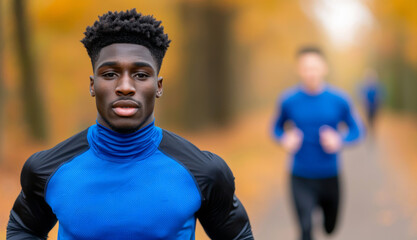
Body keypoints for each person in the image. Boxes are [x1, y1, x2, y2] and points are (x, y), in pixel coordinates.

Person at [7, 9, 253, 240]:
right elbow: (23, 228)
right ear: (93, 85)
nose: (125, 86)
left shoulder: (204, 172)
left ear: (158, 86)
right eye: (110, 74)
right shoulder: (46, 170)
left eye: (141, 75)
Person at [272, 46, 364, 240]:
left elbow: (357, 130)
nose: (310, 73)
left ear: (324, 68)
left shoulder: (339, 99)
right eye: (305, 68)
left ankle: (328, 224)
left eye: (314, 67)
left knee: (330, 228)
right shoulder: (288, 100)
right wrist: (284, 139)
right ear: (299, 69)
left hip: (330, 175)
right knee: (305, 228)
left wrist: (340, 140)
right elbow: (276, 128)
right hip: (300, 176)